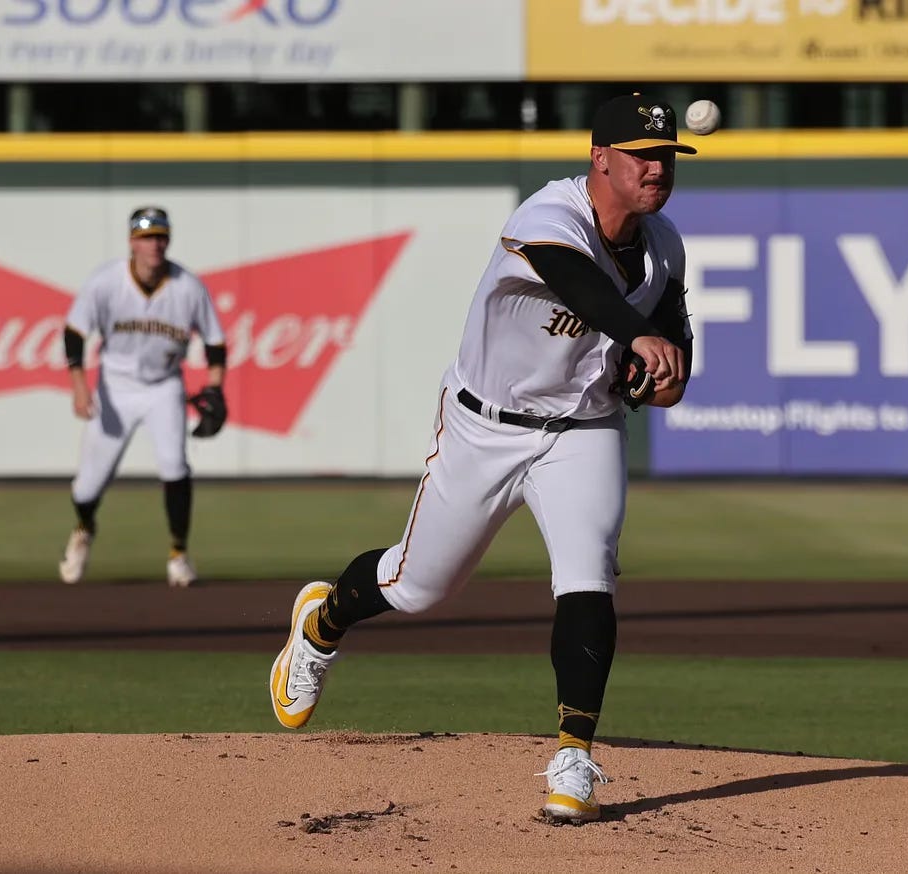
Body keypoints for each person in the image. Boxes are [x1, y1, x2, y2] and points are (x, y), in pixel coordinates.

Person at [268, 94, 696, 823]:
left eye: (666, 157)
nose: (657, 169)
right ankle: (321, 624)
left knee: (588, 575)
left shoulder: (663, 247)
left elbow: (670, 352)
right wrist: (636, 334)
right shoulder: (549, 215)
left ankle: (574, 757)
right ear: (600, 159)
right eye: (642, 155)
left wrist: (660, 375)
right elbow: (576, 281)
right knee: (417, 587)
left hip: (582, 429)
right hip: (483, 426)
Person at [58, 206, 228, 587]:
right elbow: (74, 333)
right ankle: (84, 527)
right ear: (132, 242)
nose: (155, 244)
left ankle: (178, 554)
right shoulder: (106, 282)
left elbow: (216, 343)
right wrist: (79, 385)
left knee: (175, 467)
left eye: (161, 236)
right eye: (147, 237)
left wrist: (216, 387)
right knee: (86, 487)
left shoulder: (187, 287)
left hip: (164, 385)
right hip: (115, 387)